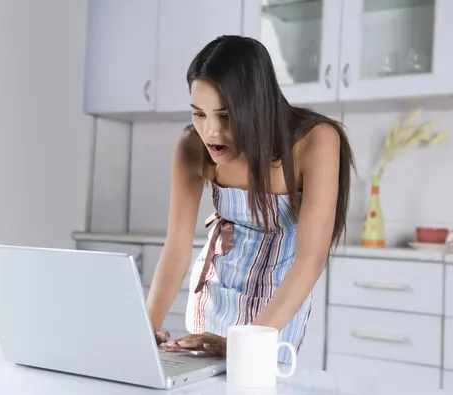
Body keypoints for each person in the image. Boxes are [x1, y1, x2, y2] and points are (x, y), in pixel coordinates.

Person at [145, 35, 355, 365]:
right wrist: (145, 329)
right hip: (217, 289)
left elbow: (310, 260)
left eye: (225, 116)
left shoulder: (316, 141)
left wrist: (247, 343)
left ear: (257, 106)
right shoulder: (191, 147)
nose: (210, 132)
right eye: (199, 113)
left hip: (280, 298)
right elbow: (176, 248)